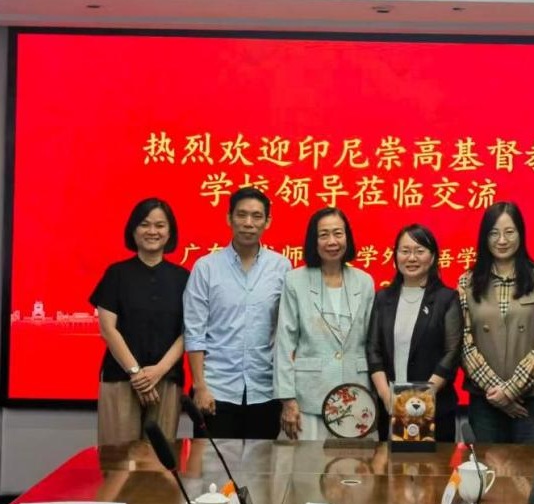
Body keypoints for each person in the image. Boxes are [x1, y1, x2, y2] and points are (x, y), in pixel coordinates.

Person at [184, 188, 291, 439]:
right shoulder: (206, 267)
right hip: (216, 391)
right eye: (241, 215)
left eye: (256, 216)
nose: (248, 223)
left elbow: (286, 332)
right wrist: (200, 387)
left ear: (267, 221)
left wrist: (287, 393)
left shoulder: (282, 267)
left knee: (261, 463)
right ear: (229, 218)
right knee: (214, 464)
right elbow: (195, 332)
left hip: (265, 391)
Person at [457, 201, 534, 444]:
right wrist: (498, 393)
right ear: (484, 237)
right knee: (486, 466)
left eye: (509, 232)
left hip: (533, 400)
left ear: (521, 234)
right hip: (486, 400)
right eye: (494, 233)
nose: (502, 240)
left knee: (531, 467)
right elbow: (463, 343)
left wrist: (511, 390)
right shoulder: (467, 281)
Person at [90, 198, 188, 445]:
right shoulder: (116, 274)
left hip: (166, 378)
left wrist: (158, 371)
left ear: (170, 232)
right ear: (133, 230)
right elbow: (108, 329)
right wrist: (136, 373)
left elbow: (189, 333)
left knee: (160, 459)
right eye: (144, 224)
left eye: (160, 225)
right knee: (118, 458)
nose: (152, 231)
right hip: (121, 377)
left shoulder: (184, 278)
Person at [275, 207, 375, 440]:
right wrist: (287, 399)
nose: (332, 241)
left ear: (347, 237)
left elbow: (373, 342)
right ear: (314, 240)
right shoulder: (295, 281)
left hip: (356, 395)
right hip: (309, 397)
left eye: (338, 233)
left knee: (353, 463)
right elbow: (284, 342)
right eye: (324, 235)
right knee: (307, 462)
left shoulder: (364, 282)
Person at [367, 224, 463, 442]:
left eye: (420, 251)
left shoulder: (446, 299)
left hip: (435, 409)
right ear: (395, 256)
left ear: (433, 257)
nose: (412, 258)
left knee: (434, 465)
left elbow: (452, 352)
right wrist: (387, 396)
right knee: (390, 465)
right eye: (405, 251)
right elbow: (373, 349)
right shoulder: (383, 299)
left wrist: (424, 397)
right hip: (391, 409)